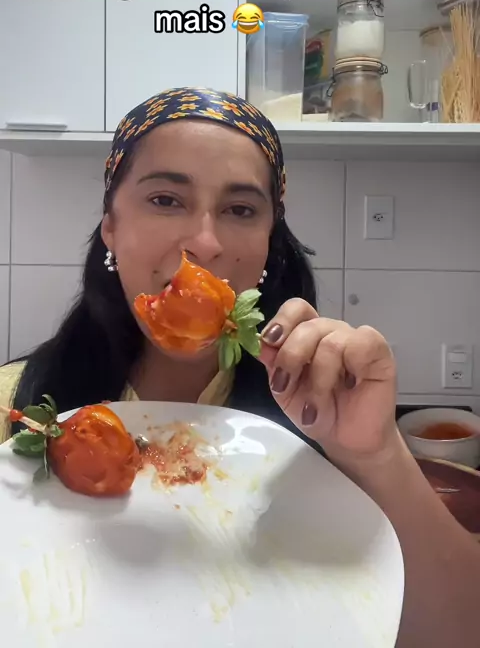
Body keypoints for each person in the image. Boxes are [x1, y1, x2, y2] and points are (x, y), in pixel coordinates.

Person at [0, 86, 479, 646]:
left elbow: (458, 633)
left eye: (240, 210)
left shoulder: (324, 421)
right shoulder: (16, 409)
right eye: (165, 200)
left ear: (268, 241)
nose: (204, 242)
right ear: (111, 225)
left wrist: (375, 456)